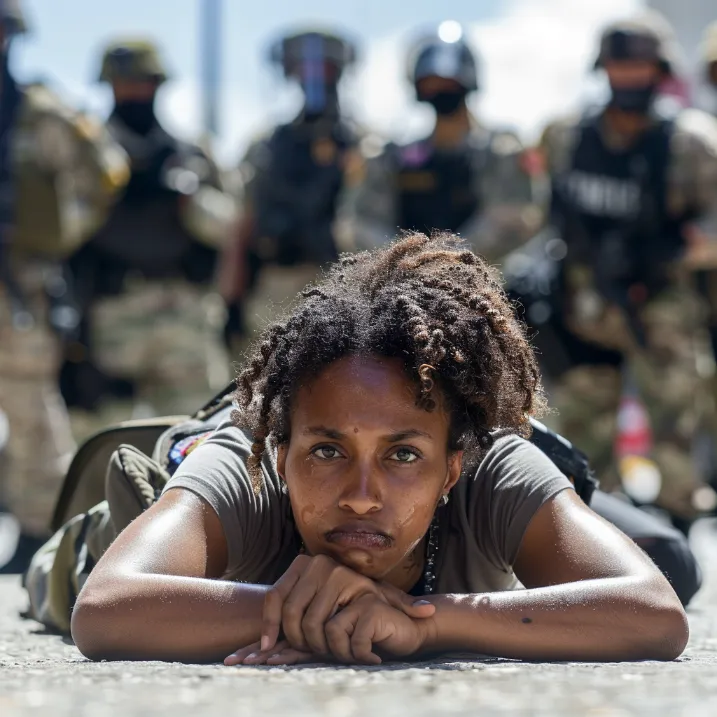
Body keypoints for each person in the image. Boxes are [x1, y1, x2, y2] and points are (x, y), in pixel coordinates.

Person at [70, 233, 688, 665]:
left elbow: (653, 612)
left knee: (671, 557)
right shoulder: (247, 460)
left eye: (403, 456)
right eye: (327, 452)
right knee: (85, 551)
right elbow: (105, 607)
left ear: (453, 468)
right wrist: (314, 611)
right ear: (282, 453)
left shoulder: (491, 462)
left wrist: (424, 623)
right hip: (113, 535)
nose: (361, 498)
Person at [538, 12, 717, 523]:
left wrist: (677, 251)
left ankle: (678, 538)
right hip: (584, 309)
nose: (630, 78)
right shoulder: (568, 137)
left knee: (677, 439)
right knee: (580, 446)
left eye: (640, 67)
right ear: (604, 69)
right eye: (620, 67)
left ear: (659, 71)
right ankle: (593, 536)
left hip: (662, 308)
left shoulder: (692, 142)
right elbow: (542, 213)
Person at [0, 0, 129, 569]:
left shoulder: (41, 111)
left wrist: (55, 236)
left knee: (31, 407)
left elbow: (105, 172)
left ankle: (37, 534)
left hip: (20, 282)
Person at [65, 39, 233, 432]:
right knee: (103, 445)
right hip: (111, 320)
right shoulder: (85, 157)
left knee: (198, 440)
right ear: (109, 86)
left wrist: (188, 199)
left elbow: (231, 227)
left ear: (158, 85)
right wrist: (106, 195)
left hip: (184, 320)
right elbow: (63, 232)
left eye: (143, 82)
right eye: (125, 84)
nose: (135, 92)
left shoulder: (190, 153)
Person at [336, 21, 544, 263]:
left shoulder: (501, 152)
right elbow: (359, 222)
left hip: (493, 284)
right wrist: (403, 261)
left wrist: (447, 260)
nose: (439, 89)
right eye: (430, 83)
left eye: (447, 83)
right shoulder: (393, 157)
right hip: (405, 286)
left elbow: (517, 218)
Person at [220, 28, 366, 358]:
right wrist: (231, 303)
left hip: (350, 291)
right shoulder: (266, 147)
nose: (314, 78)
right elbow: (241, 228)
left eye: (324, 70)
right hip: (276, 292)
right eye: (305, 69)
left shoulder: (364, 145)